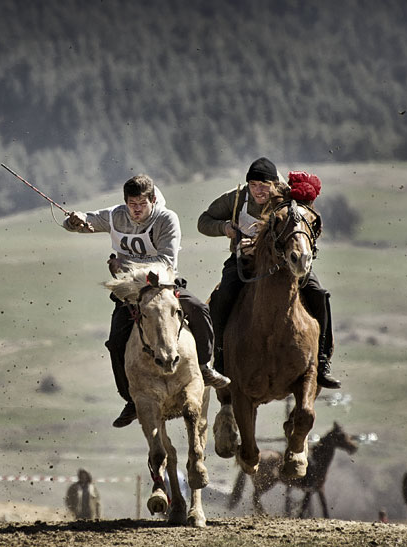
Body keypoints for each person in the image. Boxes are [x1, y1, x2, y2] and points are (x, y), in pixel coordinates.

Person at [63, 174, 230, 428]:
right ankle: (130, 399)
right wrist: (76, 220)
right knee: (116, 342)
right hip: (131, 293)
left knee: (199, 309)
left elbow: (166, 262)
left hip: (164, 286)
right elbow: (83, 222)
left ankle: (205, 366)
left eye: (142, 203)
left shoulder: (166, 219)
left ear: (152, 200)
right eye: (132, 204)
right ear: (125, 202)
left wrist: (125, 265)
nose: (136, 210)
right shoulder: (116, 215)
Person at [197, 157, 341, 389]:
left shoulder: (288, 198)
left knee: (319, 294)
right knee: (222, 296)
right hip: (243, 262)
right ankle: (220, 360)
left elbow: (310, 223)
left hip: (283, 266)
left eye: (263, 186)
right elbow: (203, 221)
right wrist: (224, 228)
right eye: (253, 185)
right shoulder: (235, 198)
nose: (258, 191)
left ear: (275, 184)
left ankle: (322, 361)